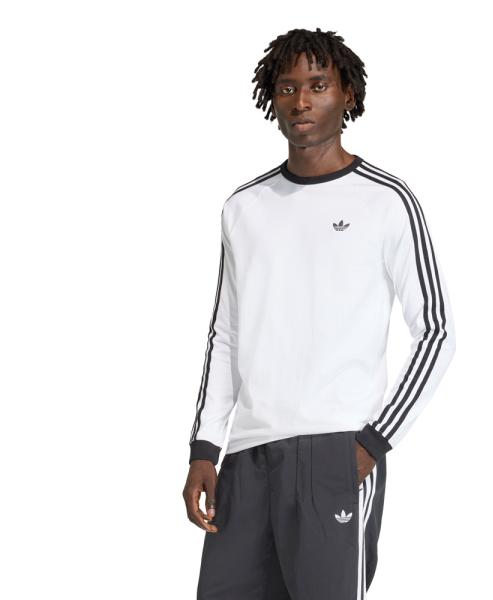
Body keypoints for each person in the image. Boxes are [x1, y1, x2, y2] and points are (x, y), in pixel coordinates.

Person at [182, 27, 456, 600]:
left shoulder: (385, 200)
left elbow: (435, 331)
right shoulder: (244, 207)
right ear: (271, 98)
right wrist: (205, 448)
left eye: (318, 85)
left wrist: (373, 442)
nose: (301, 101)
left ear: (347, 93)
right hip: (246, 457)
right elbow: (225, 334)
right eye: (287, 88)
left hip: (335, 447)